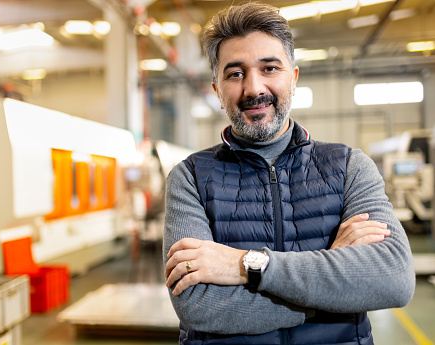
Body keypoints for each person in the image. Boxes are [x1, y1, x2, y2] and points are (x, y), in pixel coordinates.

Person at [163, 2, 415, 345]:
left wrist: (245, 265)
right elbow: (199, 305)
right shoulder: (190, 178)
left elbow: (393, 279)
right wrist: (333, 288)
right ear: (217, 91)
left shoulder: (348, 166)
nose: (253, 88)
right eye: (235, 73)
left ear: (293, 78)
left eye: (269, 68)